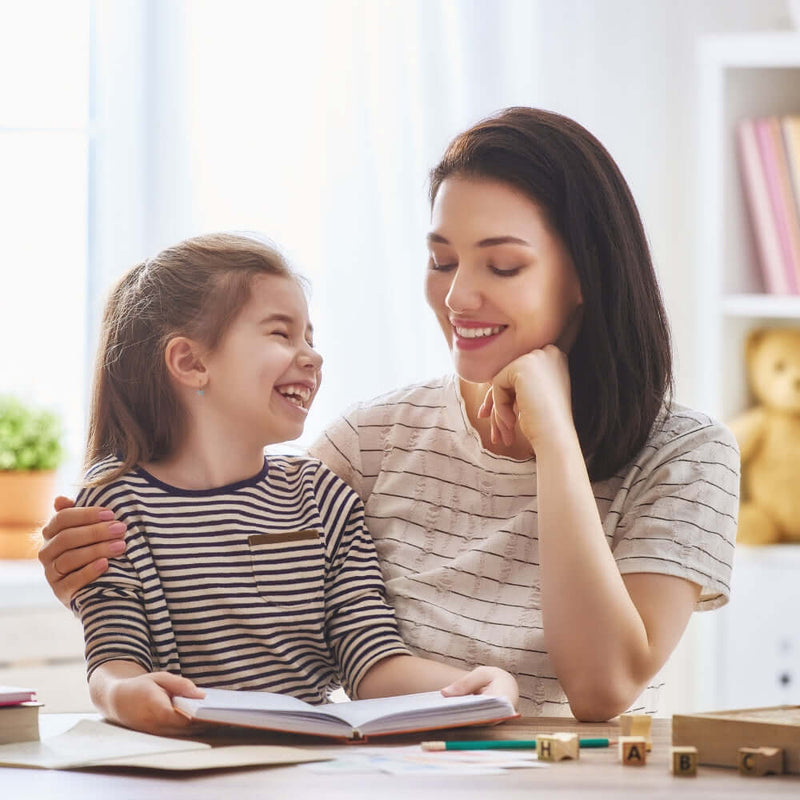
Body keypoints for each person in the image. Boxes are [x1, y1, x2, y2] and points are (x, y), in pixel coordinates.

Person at [40, 108, 739, 722]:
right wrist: (89, 576)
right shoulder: (368, 445)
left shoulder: (686, 455)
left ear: (586, 273)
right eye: (442, 261)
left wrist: (554, 435)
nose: (458, 298)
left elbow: (602, 687)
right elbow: (223, 557)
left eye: (502, 266)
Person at [62, 232, 518, 736]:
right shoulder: (115, 508)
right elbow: (114, 662)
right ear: (191, 363)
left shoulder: (323, 497)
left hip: (309, 760)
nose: (312, 357)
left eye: (310, 340)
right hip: (183, 757)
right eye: (281, 334)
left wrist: (472, 685)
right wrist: (125, 697)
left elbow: (371, 662)